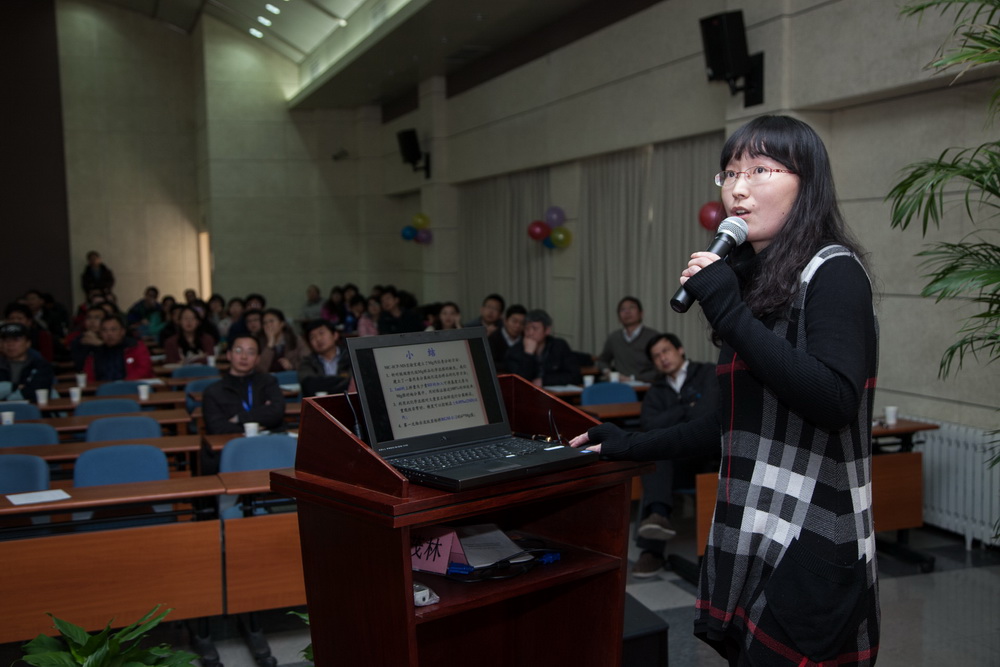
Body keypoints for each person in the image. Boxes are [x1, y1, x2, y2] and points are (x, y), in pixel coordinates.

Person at [570, 116, 879, 666]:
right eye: (730, 173)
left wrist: (728, 310)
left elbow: (835, 399)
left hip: (809, 537)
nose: (738, 189)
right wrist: (626, 443)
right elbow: (728, 423)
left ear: (806, 182)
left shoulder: (834, 272)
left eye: (759, 170)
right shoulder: (760, 282)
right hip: (755, 525)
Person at [631, 333, 719, 577]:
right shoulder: (656, 390)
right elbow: (649, 425)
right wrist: (685, 407)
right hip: (676, 461)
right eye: (656, 356)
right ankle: (656, 531)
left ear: (680, 350)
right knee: (654, 453)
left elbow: (707, 414)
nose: (663, 358)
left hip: (708, 456)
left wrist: (671, 419)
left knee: (661, 446)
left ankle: (656, 526)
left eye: (666, 351)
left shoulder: (706, 373)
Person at [202, 335, 286, 435]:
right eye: (238, 351)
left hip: (267, 441)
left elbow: (276, 413)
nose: (244, 357)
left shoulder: (268, 382)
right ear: (229, 355)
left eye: (251, 352)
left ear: (258, 359)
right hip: (231, 442)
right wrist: (257, 421)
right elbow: (216, 427)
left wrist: (239, 418)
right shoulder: (214, 391)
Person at [505, 309, 582, 386]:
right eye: (527, 328)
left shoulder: (559, 346)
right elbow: (518, 383)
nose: (530, 333)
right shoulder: (514, 351)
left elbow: (575, 376)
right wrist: (528, 354)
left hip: (555, 391)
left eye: (535, 328)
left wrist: (545, 381)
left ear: (547, 330)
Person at [595, 296, 660, 382]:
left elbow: (660, 367)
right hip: (620, 385)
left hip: (646, 384)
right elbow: (602, 361)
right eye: (623, 309)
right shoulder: (614, 338)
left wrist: (633, 379)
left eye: (632, 307)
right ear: (619, 317)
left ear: (641, 313)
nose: (627, 312)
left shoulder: (653, 336)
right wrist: (607, 372)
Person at [84, 315, 154, 382]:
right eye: (104, 330)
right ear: (100, 333)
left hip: (131, 386)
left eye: (113, 330)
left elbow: (144, 370)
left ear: (122, 331)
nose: (109, 334)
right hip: (102, 388)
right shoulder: (95, 353)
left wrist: (123, 384)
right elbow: (89, 376)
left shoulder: (135, 347)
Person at [0, 323, 55, 403]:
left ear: (28, 343)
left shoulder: (40, 365)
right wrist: (15, 387)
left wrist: (7, 398)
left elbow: (37, 392)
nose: (10, 344)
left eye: (16, 339)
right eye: (5, 340)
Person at [298, 321, 352, 397]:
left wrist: (323, 384)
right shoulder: (307, 362)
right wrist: (342, 382)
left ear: (335, 335)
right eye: (312, 337)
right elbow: (309, 385)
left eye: (321, 333)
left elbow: (354, 383)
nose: (318, 339)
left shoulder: (350, 357)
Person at [257, 308, 307, 372]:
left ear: (282, 324)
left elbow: (307, 361)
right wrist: (270, 344)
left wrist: (292, 366)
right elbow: (260, 369)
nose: (268, 325)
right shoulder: (258, 342)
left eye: (271, 321)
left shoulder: (296, 339)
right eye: (265, 323)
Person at [488, 304, 526, 372]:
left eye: (522, 323)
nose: (518, 326)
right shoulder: (493, 339)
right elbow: (490, 364)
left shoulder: (526, 339)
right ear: (505, 321)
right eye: (514, 321)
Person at [67, 305, 106, 371]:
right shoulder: (79, 340)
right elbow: (79, 365)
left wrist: (100, 344)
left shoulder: (111, 338)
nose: (92, 321)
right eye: (88, 318)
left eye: (97, 318)